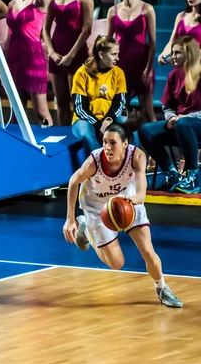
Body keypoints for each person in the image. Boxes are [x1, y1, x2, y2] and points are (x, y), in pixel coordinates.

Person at [63, 121, 183, 308]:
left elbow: (142, 193)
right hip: (97, 207)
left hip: (127, 202)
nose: (107, 147)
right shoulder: (94, 161)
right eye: (104, 142)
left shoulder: (137, 156)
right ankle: (85, 229)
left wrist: (132, 201)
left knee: (148, 251)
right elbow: (73, 181)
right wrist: (70, 219)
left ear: (125, 144)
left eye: (112, 143)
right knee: (117, 263)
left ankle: (162, 288)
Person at [139, 36, 201, 194]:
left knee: (184, 124)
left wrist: (186, 118)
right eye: (172, 52)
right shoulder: (174, 75)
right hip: (180, 125)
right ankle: (172, 173)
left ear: (189, 54)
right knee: (146, 130)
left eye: (177, 53)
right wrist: (171, 117)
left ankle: (193, 179)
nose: (172, 56)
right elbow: (168, 106)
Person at [71, 35, 131, 155]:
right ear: (101, 54)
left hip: (111, 117)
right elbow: (80, 108)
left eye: (117, 54)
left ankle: (130, 168)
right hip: (86, 119)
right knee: (86, 134)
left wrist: (108, 120)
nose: (117, 58)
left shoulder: (118, 73)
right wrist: (98, 124)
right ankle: (99, 167)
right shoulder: (82, 73)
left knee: (130, 130)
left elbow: (120, 104)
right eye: (113, 54)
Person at [42, 0, 93, 126]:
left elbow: (87, 29)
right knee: (61, 101)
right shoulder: (53, 0)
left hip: (77, 54)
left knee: (78, 102)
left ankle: (81, 136)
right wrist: (51, 52)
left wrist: (71, 55)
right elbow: (45, 29)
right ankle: (65, 135)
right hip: (56, 54)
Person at [106, 0, 156, 123]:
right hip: (120, 65)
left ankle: (155, 141)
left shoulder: (147, 9)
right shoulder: (113, 11)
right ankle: (124, 140)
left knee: (148, 111)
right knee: (120, 110)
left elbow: (153, 43)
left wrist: (149, 68)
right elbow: (107, 42)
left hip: (141, 64)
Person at [5, 0, 52, 125]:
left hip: (33, 58)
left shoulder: (39, 2)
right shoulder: (12, 3)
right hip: (14, 57)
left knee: (41, 111)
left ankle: (49, 139)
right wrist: (3, 61)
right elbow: (10, 34)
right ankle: (16, 141)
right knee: (17, 109)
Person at [158, 0, 201, 65]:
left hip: (198, 63)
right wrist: (163, 54)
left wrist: (183, 58)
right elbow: (172, 42)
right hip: (180, 63)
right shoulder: (180, 16)